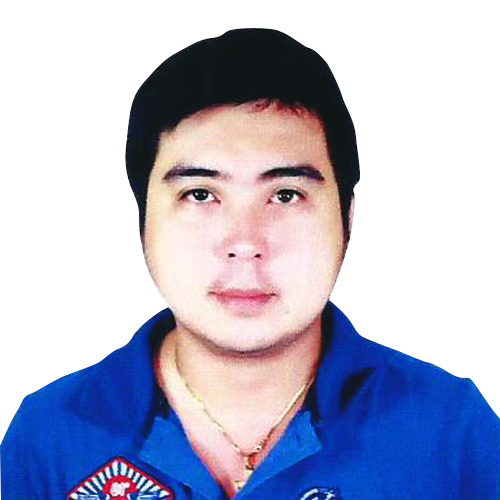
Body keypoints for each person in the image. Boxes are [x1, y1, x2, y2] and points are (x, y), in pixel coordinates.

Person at [1, 28, 498, 500]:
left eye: (286, 194)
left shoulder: (452, 434)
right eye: (200, 194)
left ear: (347, 217)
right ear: (143, 218)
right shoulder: (49, 436)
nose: (244, 242)